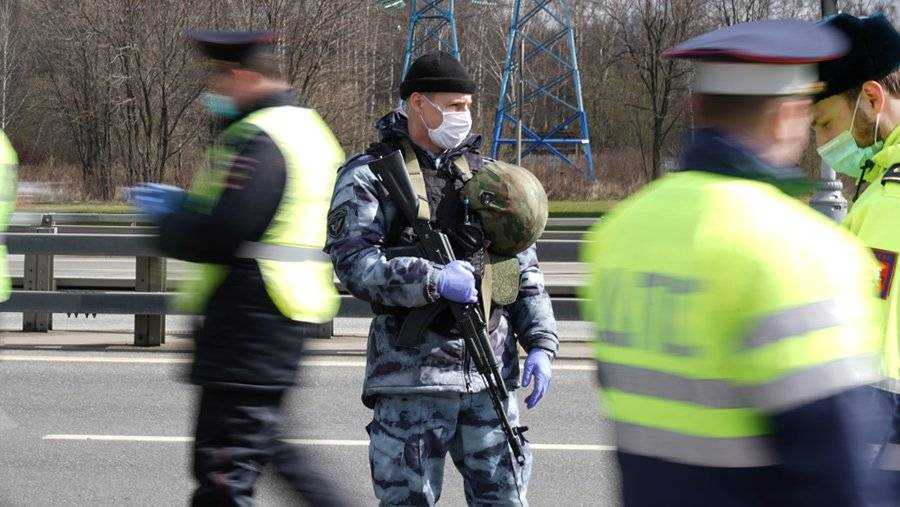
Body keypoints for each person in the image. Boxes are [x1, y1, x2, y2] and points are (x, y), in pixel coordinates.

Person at [580, 20, 885, 506]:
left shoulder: (620, 230)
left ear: (697, 109)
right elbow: (833, 465)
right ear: (789, 114)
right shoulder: (803, 248)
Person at [324, 51, 558, 506]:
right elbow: (353, 264)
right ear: (417, 103)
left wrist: (543, 343)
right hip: (413, 379)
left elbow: (522, 265)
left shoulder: (487, 176)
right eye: (453, 106)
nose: (463, 116)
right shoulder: (370, 176)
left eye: (467, 105)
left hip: (489, 375)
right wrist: (431, 279)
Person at [129, 30, 348, 506]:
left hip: (250, 320)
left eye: (220, 80)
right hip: (276, 317)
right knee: (274, 453)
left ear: (243, 76)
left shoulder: (263, 136)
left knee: (224, 472)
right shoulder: (308, 130)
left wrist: (169, 220)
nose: (215, 92)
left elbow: (225, 232)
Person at [811, 13, 900, 483]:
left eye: (825, 124)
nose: (822, 144)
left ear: (871, 97)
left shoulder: (892, 201)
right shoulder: (880, 182)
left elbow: (883, 349)